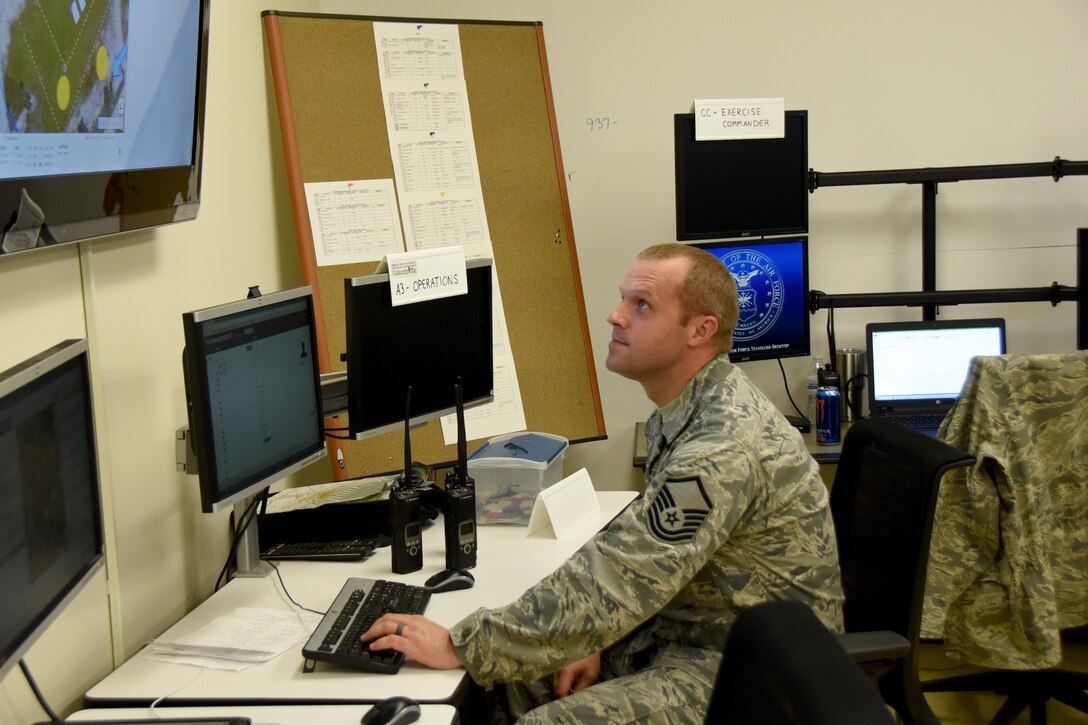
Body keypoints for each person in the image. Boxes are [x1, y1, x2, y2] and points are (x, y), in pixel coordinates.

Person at [363, 243, 844, 723]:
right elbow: (637, 557)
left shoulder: (721, 448)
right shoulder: (692, 408)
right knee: (518, 678)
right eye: (623, 299)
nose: (615, 316)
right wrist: (592, 635)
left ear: (700, 330)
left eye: (642, 305)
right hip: (694, 631)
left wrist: (459, 643)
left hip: (754, 669)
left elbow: (623, 574)